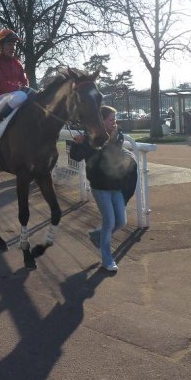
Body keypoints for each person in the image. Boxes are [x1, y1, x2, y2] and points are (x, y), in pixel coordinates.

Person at [69, 105, 138, 273]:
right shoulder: (89, 137)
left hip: (116, 185)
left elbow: (114, 154)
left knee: (121, 221)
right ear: (101, 121)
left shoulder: (118, 135)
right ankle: (107, 259)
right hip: (100, 187)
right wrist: (77, 144)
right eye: (111, 119)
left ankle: (96, 235)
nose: (114, 122)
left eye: (115, 119)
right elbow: (76, 156)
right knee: (109, 222)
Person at [0, 29, 29, 131]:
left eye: (14, 45)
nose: (13, 48)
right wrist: (19, 88)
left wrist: (27, 88)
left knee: (30, 96)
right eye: (10, 44)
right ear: (1, 46)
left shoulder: (17, 63)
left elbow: (24, 82)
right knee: (22, 95)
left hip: (14, 97)